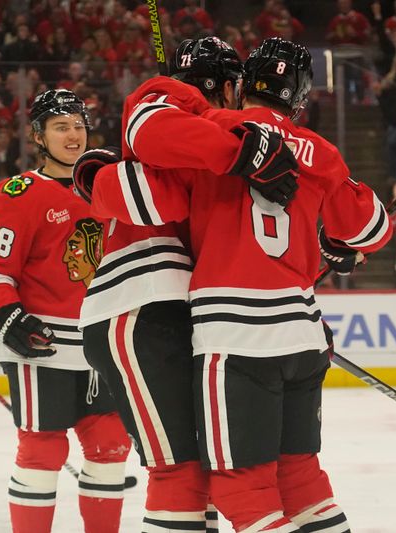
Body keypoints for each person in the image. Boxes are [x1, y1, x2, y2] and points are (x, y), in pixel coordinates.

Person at [85, 37, 393, 532]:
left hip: (233, 333)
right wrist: (339, 245)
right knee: (300, 477)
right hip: (303, 329)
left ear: (243, 85)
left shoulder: (211, 130)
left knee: (238, 486)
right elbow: (373, 227)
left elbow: (147, 182)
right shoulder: (323, 151)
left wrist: (95, 175)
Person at [74, 36, 300, 532]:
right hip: (137, 308)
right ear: (222, 85)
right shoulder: (180, 105)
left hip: (171, 312)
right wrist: (239, 154)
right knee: (179, 470)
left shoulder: (196, 141)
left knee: (206, 469)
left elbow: (154, 196)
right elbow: (156, 181)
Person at [0, 90, 131, 533]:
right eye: (61, 126)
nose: (73, 134)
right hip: (44, 343)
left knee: (111, 447)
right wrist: (7, 317)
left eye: (78, 125)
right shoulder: (21, 193)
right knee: (42, 451)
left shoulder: (110, 188)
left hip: (101, 343)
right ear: (38, 135)